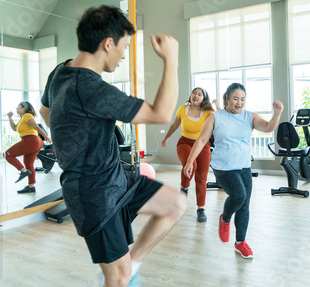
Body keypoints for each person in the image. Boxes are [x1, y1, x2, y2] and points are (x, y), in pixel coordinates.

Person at [39, 5, 186, 287]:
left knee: (175, 204)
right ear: (108, 44)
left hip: (116, 180)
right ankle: (124, 272)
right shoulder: (92, 89)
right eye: (125, 47)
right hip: (93, 196)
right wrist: (171, 59)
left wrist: (73, 141)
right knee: (116, 279)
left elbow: (46, 111)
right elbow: (161, 113)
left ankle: (133, 264)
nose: (123, 55)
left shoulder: (60, 72)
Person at [184, 83, 283, 259]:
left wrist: (277, 114)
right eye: (236, 98)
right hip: (223, 168)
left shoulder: (249, 116)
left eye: (243, 99)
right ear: (227, 98)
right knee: (239, 196)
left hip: (244, 166)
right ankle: (225, 218)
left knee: (244, 205)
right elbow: (201, 140)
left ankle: (240, 243)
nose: (239, 102)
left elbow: (268, 127)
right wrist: (190, 162)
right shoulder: (216, 117)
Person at [161, 87, 215, 222]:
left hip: (203, 145)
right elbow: (174, 126)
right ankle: (184, 189)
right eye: (194, 93)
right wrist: (166, 138)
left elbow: (221, 121)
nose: (196, 96)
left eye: (200, 94)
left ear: (204, 98)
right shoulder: (182, 110)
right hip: (184, 143)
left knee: (202, 178)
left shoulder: (208, 112)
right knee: (191, 165)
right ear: (190, 95)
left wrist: (218, 106)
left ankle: (201, 209)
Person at [4, 102, 51, 194]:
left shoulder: (27, 116)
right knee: (29, 165)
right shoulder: (23, 118)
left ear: (24, 108)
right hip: (32, 141)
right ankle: (31, 187)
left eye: (18, 107)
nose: (16, 108)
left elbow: (36, 126)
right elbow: (14, 128)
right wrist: (10, 118)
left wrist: (46, 137)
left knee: (7, 154)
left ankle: (23, 171)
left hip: (31, 140)